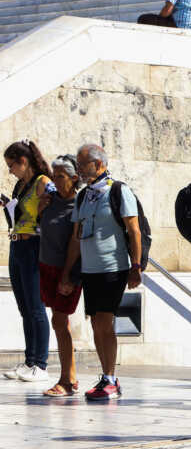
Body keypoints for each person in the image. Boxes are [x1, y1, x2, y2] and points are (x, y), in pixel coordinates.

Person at [59, 143, 142, 401]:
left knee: (105, 322)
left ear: (100, 164)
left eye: (84, 164)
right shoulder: (84, 196)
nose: (81, 170)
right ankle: (106, 377)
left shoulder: (118, 191)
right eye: (80, 165)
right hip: (89, 269)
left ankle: (111, 378)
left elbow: (134, 231)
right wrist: (67, 272)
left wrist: (136, 266)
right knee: (96, 323)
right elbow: (76, 238)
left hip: (113, 267)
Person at [2, 140, 52, 383]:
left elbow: (51, 214)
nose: (10, 171)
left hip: (34, 246)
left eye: (11, 165)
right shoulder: (19, 186)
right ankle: (30, 360)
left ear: (24, 161)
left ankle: (40, 363)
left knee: (36, 306)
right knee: (24, 308)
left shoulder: (43, 182)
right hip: (16, 244)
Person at [38, 155, 83, 396]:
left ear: (75, 178)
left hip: (66, 270)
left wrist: (68, 275)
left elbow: (76, 243)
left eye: (60, 177)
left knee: (59, 322)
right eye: (53, 176)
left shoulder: (80, 205)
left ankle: (66, 381)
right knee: (59, 322)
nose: (54, 181)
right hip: (47, 267)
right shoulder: (50, 199)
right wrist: (40, 209)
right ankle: (71, 377)